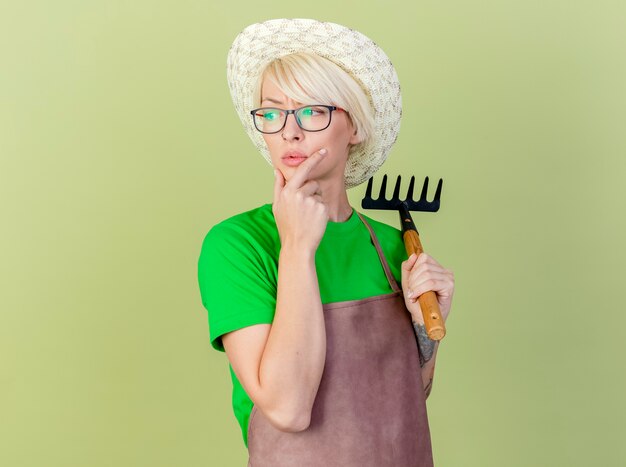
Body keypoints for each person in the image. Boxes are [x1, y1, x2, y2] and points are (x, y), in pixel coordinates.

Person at [197, 18, 455, 467]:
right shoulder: (238, 245)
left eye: (313, 111)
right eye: (273, 112)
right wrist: (297, 247)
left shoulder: (393, 246)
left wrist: (426, 331)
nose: (289, 132)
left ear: (353, 127)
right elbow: (288, 409)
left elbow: (411, 397)